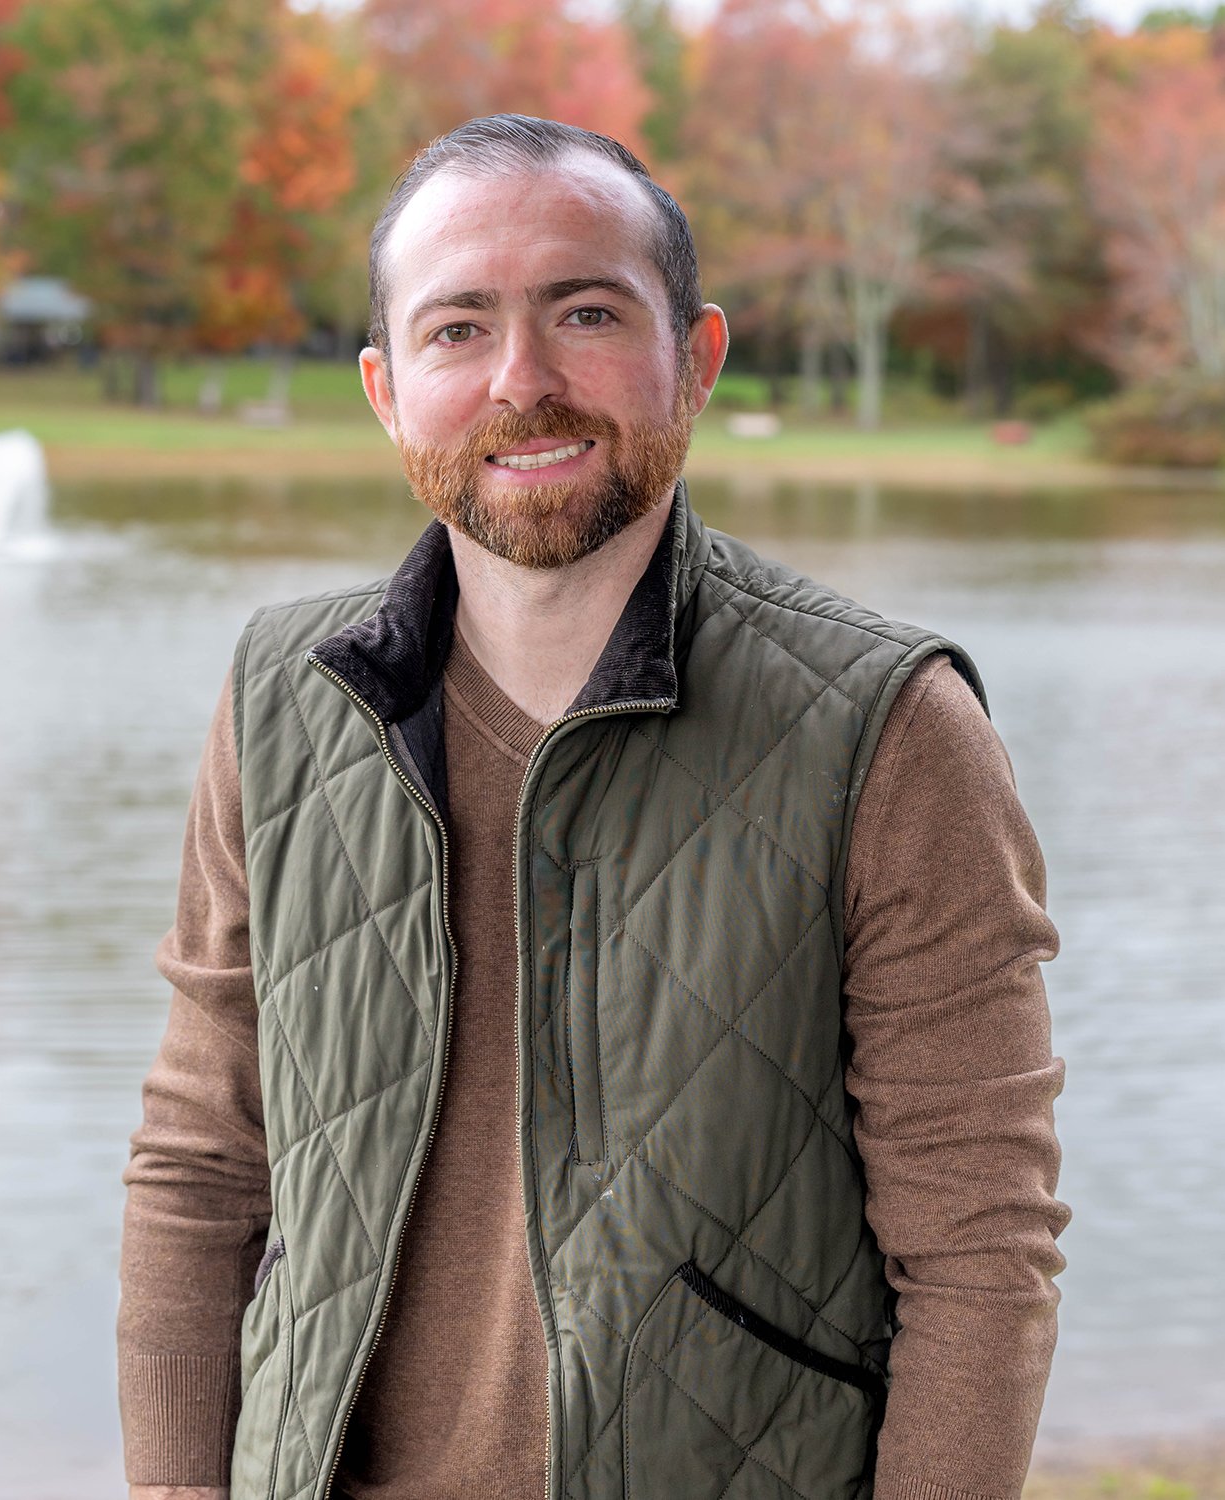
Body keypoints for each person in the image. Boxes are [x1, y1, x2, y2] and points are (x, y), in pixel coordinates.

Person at [118, 115, 1068, 1500]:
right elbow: (201, 1166)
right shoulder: (283, 697)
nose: (524, 380)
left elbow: (983, 1256)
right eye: (459, 329)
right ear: (386, 390)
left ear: (698, 356)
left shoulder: (893, 731)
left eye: (586, 311)